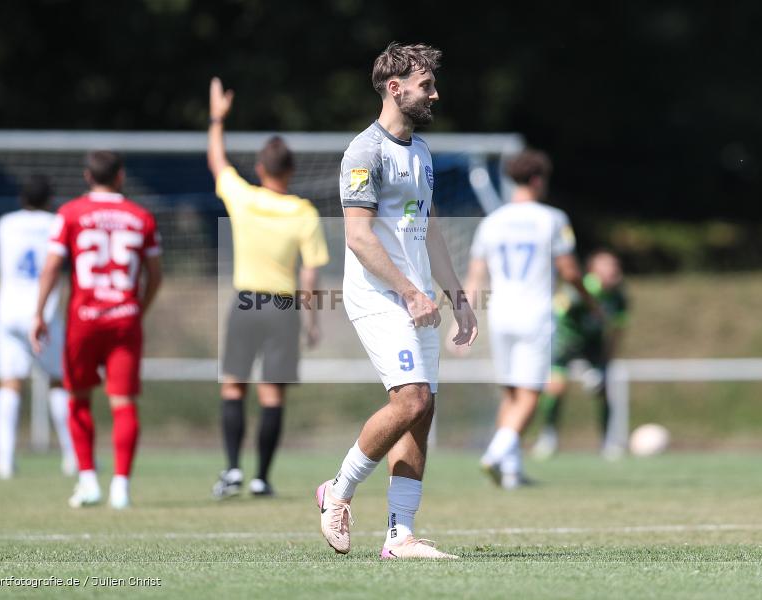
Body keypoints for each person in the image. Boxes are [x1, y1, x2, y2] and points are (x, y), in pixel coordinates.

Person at [316, 42, 477, 560]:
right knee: (410, 400)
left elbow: (427, 232)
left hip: (420, 301)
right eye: (426, 84)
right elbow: (359, 238)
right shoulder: (364, 152)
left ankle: (400, 535)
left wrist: (458, 298)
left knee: (420, 413)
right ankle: (337, 492)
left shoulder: (423, 153)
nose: (435, 93)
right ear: (395, 88)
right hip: (380, 297)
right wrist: (409, 292)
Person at [207, 77, 329, 498]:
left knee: (233, 384)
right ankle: (261, 477)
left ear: (260, 170)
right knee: (272, 394)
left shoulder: (244, 198)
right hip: (281, 308)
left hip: (245, 303)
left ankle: (232, 471)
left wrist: (217, 119)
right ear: (291, 172)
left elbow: (218, 163)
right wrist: (312, 323)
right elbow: (310, 275)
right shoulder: (303, 212)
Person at [30, 151, 162, 509]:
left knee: (78, 398)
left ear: (88, 176)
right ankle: (121, 487)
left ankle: (88, 480)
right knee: (123, 404)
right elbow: (156, 274)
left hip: (83, 321)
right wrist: (137, 310)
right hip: (124, 319)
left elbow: (52, 267)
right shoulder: (140, 217)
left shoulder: (70, 213)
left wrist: (39, 312)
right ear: (120, 177)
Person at [462, 149, 596, 489]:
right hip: (535, 314)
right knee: (531, 393)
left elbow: (476, 272)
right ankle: (495, 453)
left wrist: (462, 317)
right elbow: (568, 269)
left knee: (510, 393)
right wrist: (589, 300)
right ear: (538, 179)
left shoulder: (492, 221)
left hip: (500, 314)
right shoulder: (552, 218)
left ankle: (510, 472)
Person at [0, 175, 76, 479]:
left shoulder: (5, 224)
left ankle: (5, 461)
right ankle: (72, 458)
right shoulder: (57, 223)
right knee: (58, 382)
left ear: (21, 199)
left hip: (8, 313)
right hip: (44, 313)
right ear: (49, 200)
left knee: (10, 384)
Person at [533, 249, 629, 459]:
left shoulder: (618, 296)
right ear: (594, 270)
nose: (613, 270)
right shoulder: (580, 290)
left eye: (615, 265)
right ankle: (548, 436)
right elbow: (556, 313)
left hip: (593, 347)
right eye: (607, 266)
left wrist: (607, 358)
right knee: (556, 388)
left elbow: (617, 329)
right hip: (566, 344)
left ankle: (608, 441)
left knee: (603, 389)